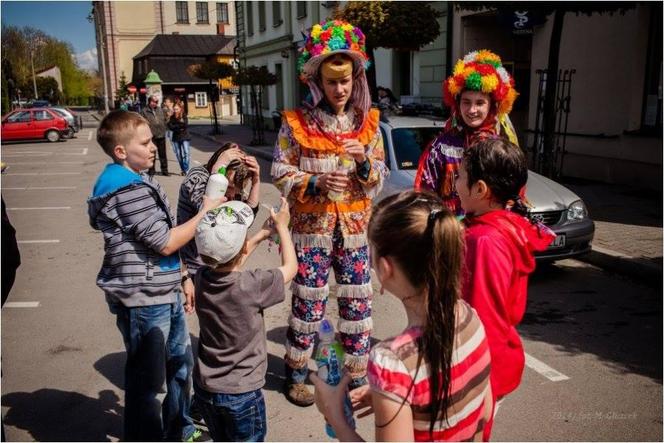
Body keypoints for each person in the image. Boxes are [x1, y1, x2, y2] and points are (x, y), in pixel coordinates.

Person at [311, 190, 494, 441]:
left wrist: (334, 414)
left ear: (385, 269)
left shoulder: (392, 362)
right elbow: (483, 411)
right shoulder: (470, 317)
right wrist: (394, 397)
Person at [271, 19, 389, 406]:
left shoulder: (368, 125)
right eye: (332, 81)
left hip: (354, 229)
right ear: (318, 82)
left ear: (356, 80)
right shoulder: (296, 123)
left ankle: (357, 376)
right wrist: (316, 183)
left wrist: (363, 165)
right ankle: (297, 372)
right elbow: (280, 170)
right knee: (309, 301)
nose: (339, 89)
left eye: (346, 81)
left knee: (357, 304)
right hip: (311, 229)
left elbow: (379, 177)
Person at [87, 110, 223, 441]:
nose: (153, 148)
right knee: (150, 384)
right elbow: (164, 242)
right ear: (120, 151)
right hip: (143, 298)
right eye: (145, 142)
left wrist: (183, 277)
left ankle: (180, 430)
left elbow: (165, 239)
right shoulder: (124, 189)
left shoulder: (139, 180)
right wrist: (206, 211)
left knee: (180, 366)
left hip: (164, 290)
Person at [455, 138, 555, 411]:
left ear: (480, 189)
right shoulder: (504, 225)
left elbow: (483, 317)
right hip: (491, 363)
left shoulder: (484, 241)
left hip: (480, 371)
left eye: (460, 176)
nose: (455, 184)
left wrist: (475, 379)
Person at [192, 198, 297, 441]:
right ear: (240, 251)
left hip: (206, 388)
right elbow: (291, 268)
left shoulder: (201, 276)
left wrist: (261, 234)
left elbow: (227, 261)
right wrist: (282, 227)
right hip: (242, 393)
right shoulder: (251, 285)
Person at [415, 49, 520, 216]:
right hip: (450, 233)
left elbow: (514, 196)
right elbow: (423, 193)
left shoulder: (501, 149)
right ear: (457, 104)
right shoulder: (441, 146)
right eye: (466, 102)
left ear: (491, 106)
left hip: (487, 232)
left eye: (480, 103)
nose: (472, 110)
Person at [178, 142, 260, 278]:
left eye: (238, 189)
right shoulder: (197, 177)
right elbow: (209, 215)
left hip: (221, 267)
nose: (232, 195)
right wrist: (218, 172)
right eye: (229, 187)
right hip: (195, 267)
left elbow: (247, 217)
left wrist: (256, 181)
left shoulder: (234, 191)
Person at [141, 94, 170, 176]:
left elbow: (166, 119)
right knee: (152, 154)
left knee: (163, 154)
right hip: (151, 136)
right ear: (149, 101)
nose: (155, 103)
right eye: (154, 101)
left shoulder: (160, 110)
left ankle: (165, 170)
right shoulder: (144, 111)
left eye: (157, 102)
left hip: (161, 134)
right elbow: (141, 123)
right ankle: (151, 171)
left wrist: (167, 121)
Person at [169, 103, 192, 176]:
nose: (175, 110)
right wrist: (179, 126)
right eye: (174, 109)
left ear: (180, 108)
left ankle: (186, 169)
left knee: (186, 153)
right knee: (179, 155)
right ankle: (183, 170)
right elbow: (170, 127)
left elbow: (185, 125)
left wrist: (176, 126)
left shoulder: (183, 115)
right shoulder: (172, 117)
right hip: (176, 138)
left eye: (177, 109)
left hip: (184, 136)